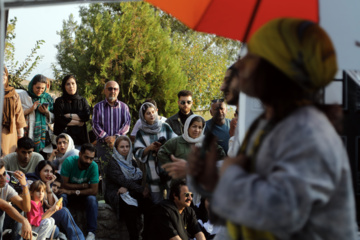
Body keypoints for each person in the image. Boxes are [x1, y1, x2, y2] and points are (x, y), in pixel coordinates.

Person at [188, 18, 357, 240]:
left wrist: (231, 175)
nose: (239, 65)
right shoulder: (270, 125)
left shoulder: (309, 132)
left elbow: (282, 213)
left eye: (252, 56)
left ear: (277, 69)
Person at [26, 160, 85, 240]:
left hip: (44, 217)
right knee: (64, 212)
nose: (49, 174)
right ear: (39, 171)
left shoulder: (47, 184)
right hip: (34, 221)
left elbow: (51, 204)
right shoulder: (33, 182)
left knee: (63, 212)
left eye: (51, 172)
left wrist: (48, 185)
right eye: (46, 171)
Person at [105, 136, 149, 240]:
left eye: (127, 146)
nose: (125, 149)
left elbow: (138, 178)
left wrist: (127, 188)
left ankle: (147, 235)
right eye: (122, 147)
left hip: (129, 190)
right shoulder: (113, 163)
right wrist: (141, 189)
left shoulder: (131, 161)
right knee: (130, 209)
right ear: (116, 148)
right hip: (116, 192)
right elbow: (122, 180)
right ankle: (134, 237)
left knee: (148, 204)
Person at [158, 115, 225, 180]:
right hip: (181, 183)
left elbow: (221, 153)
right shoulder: (177, 141)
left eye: (200, 127)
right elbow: (161, 152)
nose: (197, 130)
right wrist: (173, 167)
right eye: (194, 126)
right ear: (187, 127)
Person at [134, 102, 177, 204]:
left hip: (168, 171)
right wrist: (149, 148)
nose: (151, 115)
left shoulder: (165, 127)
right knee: (157, 203)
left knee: (172, 200)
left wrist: (163, 148)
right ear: (143, 116)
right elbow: (137, 152)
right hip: (153, 173)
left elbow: (175, 143)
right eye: (148, 113)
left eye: (153, 112)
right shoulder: (141, 132)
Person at [59, 143, 99, 240]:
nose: (88, 161)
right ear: (80, 154)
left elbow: (94, 190)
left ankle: (91, 233)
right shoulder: (69, 162)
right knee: (62, 197)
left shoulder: (93, 166)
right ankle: (61, 231)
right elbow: (63, 184)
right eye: (86, 157)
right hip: (69, 195)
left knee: (92, 199)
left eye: (91, 158)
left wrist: (73, 191)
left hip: (80, 195)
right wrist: (83, 186)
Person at [92, 81, 131, 167]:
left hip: (120, 146)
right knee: (105, 172)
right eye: (110, 89)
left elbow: (127, 125)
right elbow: (95, 125)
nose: (112, 91)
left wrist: (115, 137)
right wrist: (107, 138)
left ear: (118, 92)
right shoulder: (98, 107)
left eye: (115, 89)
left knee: (122, 171)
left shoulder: (124, 107)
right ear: (105, 91)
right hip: (103, 145)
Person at [17, 74, 54, 154]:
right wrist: (31, 109)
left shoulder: (47, 98)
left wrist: (46, 112)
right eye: (37, 87)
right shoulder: (23, 96)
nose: (40, 90)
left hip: (42, 136)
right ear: (32, 85)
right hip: (26, 133)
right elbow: (17, 114)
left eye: (42, 88)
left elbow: (54, 117)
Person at [54, 75, 90, 149]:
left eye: (73, 83)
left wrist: (69, 116)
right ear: (64, 86)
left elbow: (86, 116)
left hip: (80, 139)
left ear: (76, 85)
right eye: (68, 84)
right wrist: (79, 122)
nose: (71, 86)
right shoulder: (60, 101)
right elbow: (59, 119)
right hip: (63, 141)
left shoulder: (82, 100)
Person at [0, 160, 31, 240]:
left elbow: (26, 208)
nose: (3, 178)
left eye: (4, 174)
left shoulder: (5, 187)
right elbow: (5, 206)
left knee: (18, 210)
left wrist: (24, 185)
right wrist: (24, 220)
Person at [2, 66, 26, 156]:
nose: (2, 77)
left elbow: (19, 115)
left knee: (6, 159)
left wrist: (20, 135)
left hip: (8, 133)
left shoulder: (13, 94)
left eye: (4, 74)